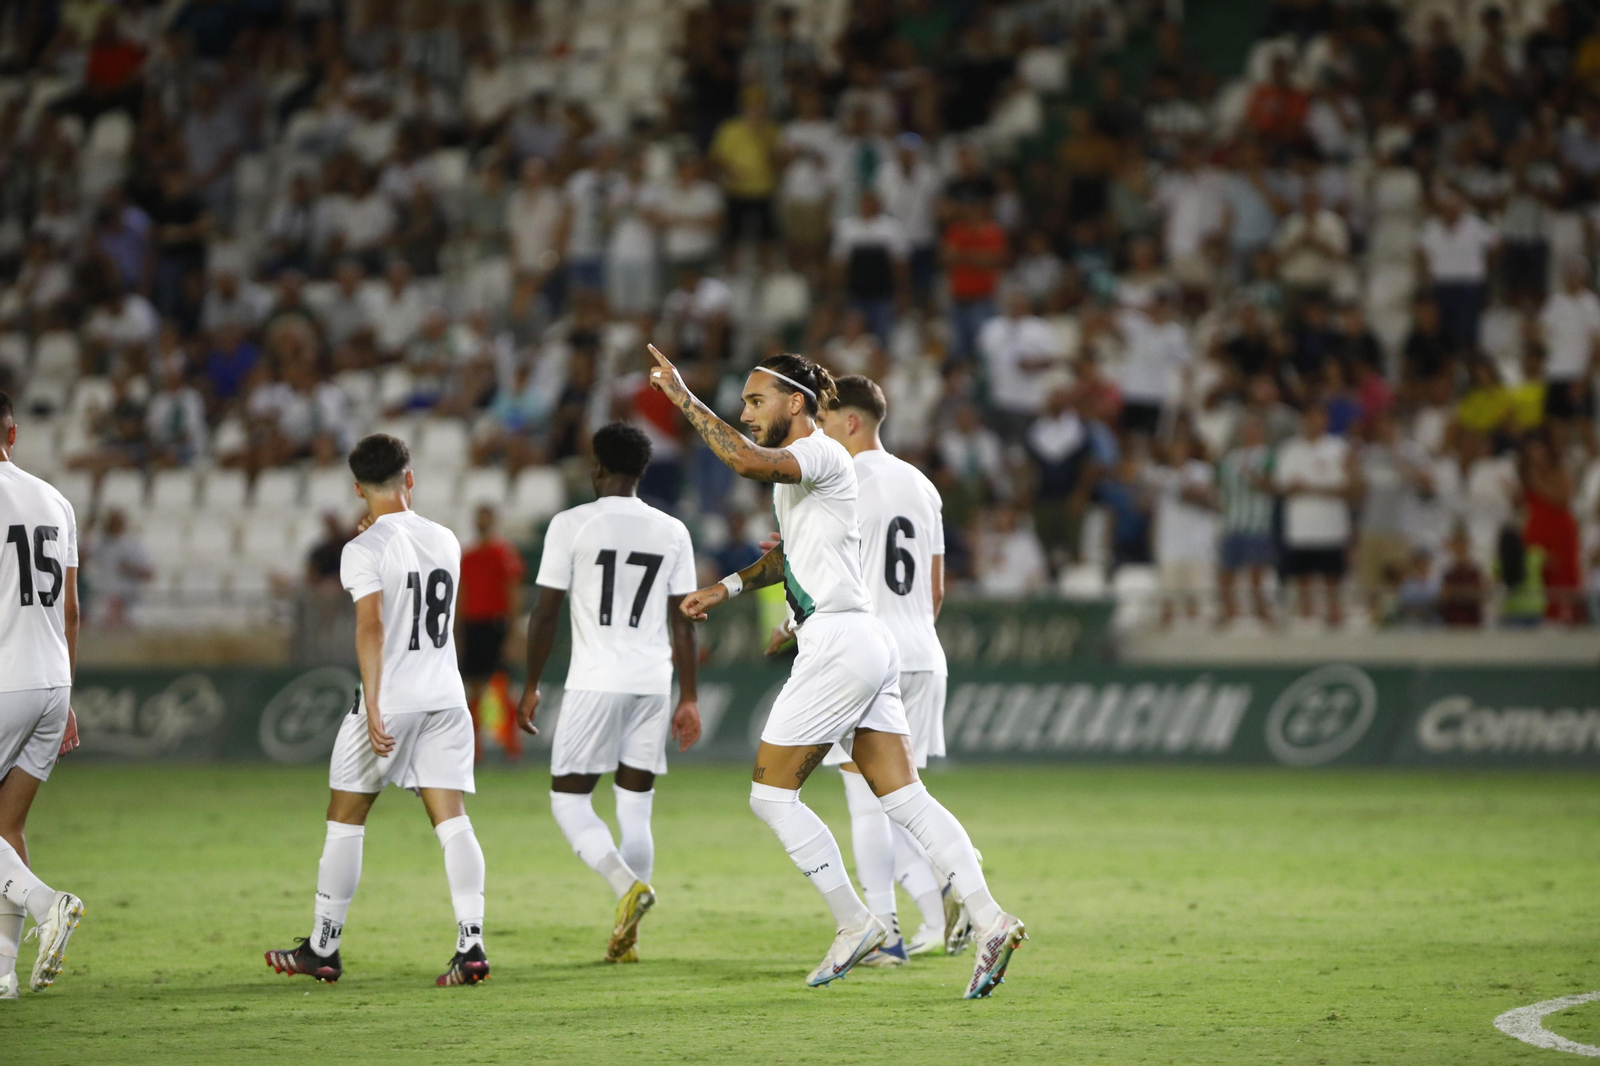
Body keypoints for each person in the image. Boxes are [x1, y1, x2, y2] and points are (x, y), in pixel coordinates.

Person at [645, 346, 1024, 998]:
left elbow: (741, 459)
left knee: (770, 795)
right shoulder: (811, 471)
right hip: (865, 640)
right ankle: (990, 919)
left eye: (755, 400)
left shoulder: (818, 451)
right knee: (903, 797)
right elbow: (791, 553)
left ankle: (859, 921)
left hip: (841, 645)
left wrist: (681, 395)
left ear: (795, 403)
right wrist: (729, 587)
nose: (746, 411)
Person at [264, 435, 489, 988]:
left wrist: (373, 704)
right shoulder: (447, 539)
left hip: (393, 699)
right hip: (446, 696)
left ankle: (323, 947)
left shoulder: (360, 548)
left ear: (357, 488)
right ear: (410, 478)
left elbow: (372, 626)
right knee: (452, 819)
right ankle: (472, 942)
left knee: (346, 819)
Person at [517, 423, 701, 964]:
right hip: (652, 683)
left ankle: (627, 886)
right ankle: (628, 937)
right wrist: (688, 696)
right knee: (635, 806)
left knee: (569, 799)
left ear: (598, 468)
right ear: (641, 471)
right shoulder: (672, 530)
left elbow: (546, 610)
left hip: (595, 682)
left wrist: (530, 684)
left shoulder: (571, 524)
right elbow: (686, 622)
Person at [799, 376, 962, 964]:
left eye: (823, 419)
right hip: (924, 651)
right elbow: (937, 589)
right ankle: (946, 889)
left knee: (865, 801)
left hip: (870, 659)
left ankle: (884, 933)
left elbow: (827, 577)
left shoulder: (844, 482)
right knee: (903, 798)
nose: (817, 431)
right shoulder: (922, 486)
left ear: (852, 422)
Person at [0, 391, 85, 999]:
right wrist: (68, 694)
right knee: (8, 826)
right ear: (12, 432)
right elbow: (71, 609)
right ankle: (1, 972)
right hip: (52, 681)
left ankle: (48, 903)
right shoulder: (54, 499)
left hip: (3, 678)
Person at [457, 505, 525, 759]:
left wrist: (513, 630)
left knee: (502, 687)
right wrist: (458, 629)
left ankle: (512, 748)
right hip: (473, 625)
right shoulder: (468, 555)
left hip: (496, 624)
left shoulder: (503, 553)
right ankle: (476, 751)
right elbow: (462, 593)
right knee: (474, 688)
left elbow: (513, 591)